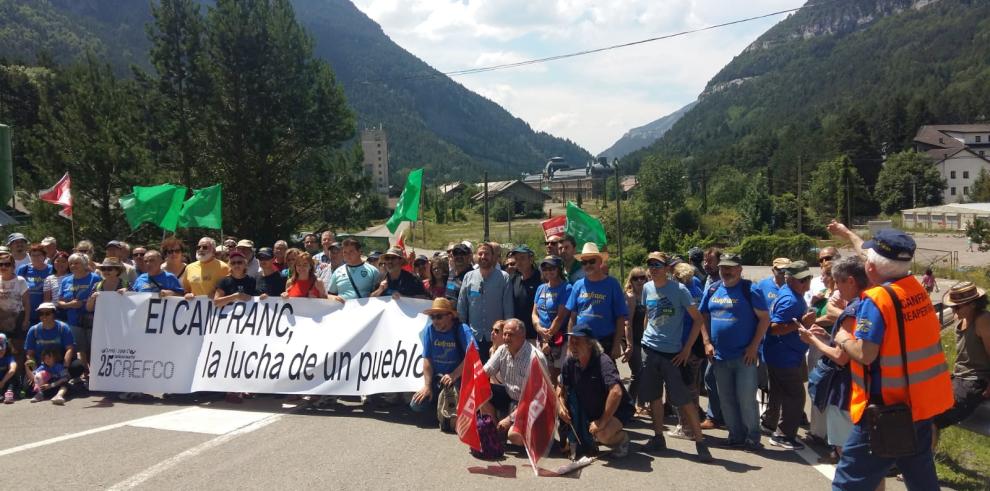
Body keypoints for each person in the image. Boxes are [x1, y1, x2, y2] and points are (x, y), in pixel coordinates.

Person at [831, 229, 953, 491]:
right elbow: (878, 259)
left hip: (885, 411)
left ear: (871, 267)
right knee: (920, 478)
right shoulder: (916, 290)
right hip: (919, 404)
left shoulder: (876, 301)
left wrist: (842, 337)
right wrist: (847, 234)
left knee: (848, 482)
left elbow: (866, 354)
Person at [635, 252, 712, 460]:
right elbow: (647, 316)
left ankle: (700, 441)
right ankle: (658, 436)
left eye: (657, 265)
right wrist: (644, 338)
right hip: (650, 350)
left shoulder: (680, 290)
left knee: (684, 399)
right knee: (654, 397)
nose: (653, 268)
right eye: (650, 264)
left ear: (667, 268)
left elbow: (698, 320)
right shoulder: (647, 288)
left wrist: (687, 349)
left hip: (673, 354)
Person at [699, 252, 770, 451]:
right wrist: (706, 342)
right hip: (719, 356)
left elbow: (765, 319)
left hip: (744, 356)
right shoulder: (713, 289)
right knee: (726, 399)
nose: (726, 271)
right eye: (723, 267)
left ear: (740, 269)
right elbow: (702, 315)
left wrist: (754, 346)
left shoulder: (750, 290)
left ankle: (753, 438)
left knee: (746, 399)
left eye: (730, 267)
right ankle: (736, 435)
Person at [799, 255, 866, 464]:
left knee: (846, 445)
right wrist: (828, 337)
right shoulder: (865, 305)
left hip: (845, 386)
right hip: (858, 382)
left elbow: (840, 356)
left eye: (838, 282)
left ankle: (843, 459)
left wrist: (814, 340)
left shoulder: (852, 311)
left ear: (851, 281)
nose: (835, 287)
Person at [558, 324, 635, 459]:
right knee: (556, 407)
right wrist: (561, 406)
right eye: (571, 341)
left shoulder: (603, 361)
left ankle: (622, 439)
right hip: (589, 409)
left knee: (603, 434)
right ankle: (577, 440)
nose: (573, 345)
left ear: (589, 344)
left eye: (578, 341)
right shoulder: (569, 361)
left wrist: (602, 422)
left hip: (617, 409)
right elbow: (560, 386)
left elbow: (616, 393)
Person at [764, 260, 814, 450]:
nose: (806, 283)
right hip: (783, 356)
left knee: (780, 392)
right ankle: (784, 435)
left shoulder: (790, 293)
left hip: (782, 354)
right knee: (796, 395)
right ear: (790, 280)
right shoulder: (790, 299)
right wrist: (801, 322)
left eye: (808, 278)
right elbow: (774, 328)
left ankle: (771, 424)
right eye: (802, 280)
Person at [933, 282, 990, 437]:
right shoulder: (961, 319)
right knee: (926, 406)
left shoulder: (983, 320)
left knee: (934, 417)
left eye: (957, 307)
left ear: (972, 304)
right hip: (959, 377)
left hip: (975, 380)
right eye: (952, 307)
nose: (953, 311)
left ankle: (926, 458)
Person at [480, 319, 548, 445]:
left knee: (514, 436)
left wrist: (509, 419)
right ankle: (496, 433)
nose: (506, 338)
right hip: (511, 397)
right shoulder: (502, 350)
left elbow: (535, 398)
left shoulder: (535, 358)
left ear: (523, 336)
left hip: (531, 404)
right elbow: (484, 373)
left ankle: (539, 435)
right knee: (478, 389)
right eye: (504, 334)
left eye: (510, 334)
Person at [410, 298, 475, 428]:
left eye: (439, 316)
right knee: (416, 405)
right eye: (432, 317)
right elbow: (427, 358)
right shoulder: (430, 330)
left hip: (458, 378)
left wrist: (453, 375)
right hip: (438, 378)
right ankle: (438, 405)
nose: (435, 321)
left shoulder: (462, 329)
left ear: (450, 316)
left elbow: (473, 355)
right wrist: (427, 386)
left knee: (453, 405)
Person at [565, 243, 627, 360]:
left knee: (607, 376)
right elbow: (572, 317)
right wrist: (570, 343)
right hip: (581, 341)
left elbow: (620, 317)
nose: (588, 265)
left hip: (605, 342)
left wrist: (616, 344)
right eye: (584, 262)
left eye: (591, 261)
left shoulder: (612, 284)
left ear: (600, 261)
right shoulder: (578, 285)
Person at [457, 242, 513, 362]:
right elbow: (462, 307)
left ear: (493, 256)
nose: (483, 257)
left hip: (496, 338)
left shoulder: (504, 278)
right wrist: (462, 333)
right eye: (480, 254)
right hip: (473, 337)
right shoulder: (468, 277)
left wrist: (507, 335)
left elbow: (508, 310)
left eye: (486, 254)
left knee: (494, 377)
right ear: (475, 257)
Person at [533, 256, 571, 382]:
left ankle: (558, 401)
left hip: (558, 339)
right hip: (542, 337)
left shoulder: (566, 288)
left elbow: (560, 317)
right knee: (544, 376)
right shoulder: (540, 288)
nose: (548, 271)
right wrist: (538, 328)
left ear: (559, 269)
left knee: (557, 377)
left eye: (552, 268)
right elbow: (534, 313)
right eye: (545, 268)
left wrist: (547, 340)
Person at [24, 302, 82, 382]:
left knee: (78, 365)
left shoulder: (63, 328)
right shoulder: (33, 330)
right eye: (41, 313)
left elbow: (70, 349)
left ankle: (67, 377)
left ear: (53, 314)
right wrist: (35, 371)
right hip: (41, 366)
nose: (44, 316)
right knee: (28, 363)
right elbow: (29, 354)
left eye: (47, 313)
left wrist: (64, 368)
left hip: (60, 364)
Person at [0, 250, 30, 377]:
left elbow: (27, 303)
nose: (3, 267)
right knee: (3, 351)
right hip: (2, 320)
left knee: (17, 350)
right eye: (0, 264)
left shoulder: (20, 280)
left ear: (13, 266)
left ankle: (18, 379)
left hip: (18, 318)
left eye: (7, 264)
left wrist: (26, 320)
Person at [622, 266, 648, 405]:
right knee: (637, 373)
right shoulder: (630, 297)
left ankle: (641, 404)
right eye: (636, 278)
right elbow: (627, 323)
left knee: (645, 373)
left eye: (642, 277)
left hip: (644, 339)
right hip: (632, 338)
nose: (639, 281)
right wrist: (629, 345)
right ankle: (628, 405)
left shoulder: (648, 294)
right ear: (630, 280)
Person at [509, 245, 541, 342]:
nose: (519, 262)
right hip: (517, 335)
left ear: (531, 259)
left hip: (536, 335)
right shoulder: (513, 279)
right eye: (516, 259)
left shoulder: (540, 279)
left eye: (522, 258)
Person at [17, 243, 53, 326]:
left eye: (38, 255)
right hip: (26, 312)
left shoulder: (51, 269)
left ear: (44, 256)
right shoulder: (24, 269)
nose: (36, 258)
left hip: (44, 312)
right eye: (33, 255)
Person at [1, 333, 17, 403]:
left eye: (2, 348)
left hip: (5, 381)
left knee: (12, 378)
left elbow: (12, 370)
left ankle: (9, 393)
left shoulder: (9, 357)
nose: (0, 351)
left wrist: (2, 382)